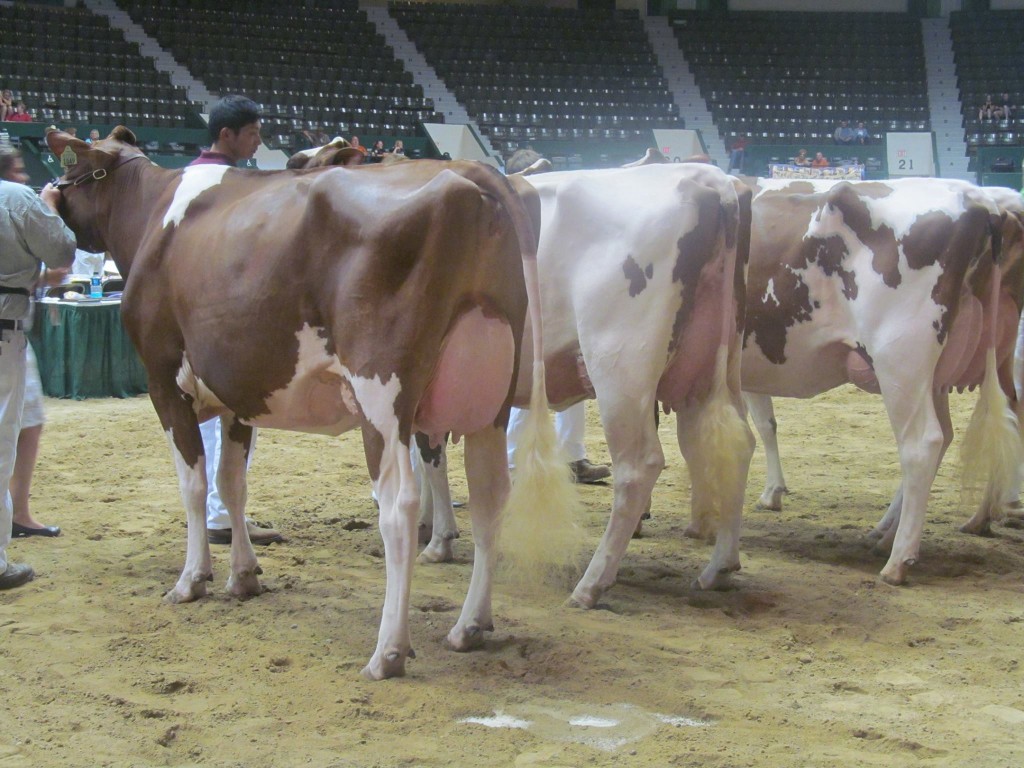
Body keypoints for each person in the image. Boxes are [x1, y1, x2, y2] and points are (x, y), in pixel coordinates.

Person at [190, 95, 283, 546]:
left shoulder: (194, 179)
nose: (258, 141)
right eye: (252, 133)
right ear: (226, 134)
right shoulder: (218, 182)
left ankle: (225, 511)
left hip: (212, 316)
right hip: (215, 317)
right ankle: (220, 514)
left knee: (227, 421)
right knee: (221, 420)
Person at [0, 143, 76, 588]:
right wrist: (47, 206)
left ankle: (19, 516)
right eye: (17, 169)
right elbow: (62, 249)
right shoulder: (15, 198)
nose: (24, 176)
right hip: (3, 333)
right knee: (2, 443)